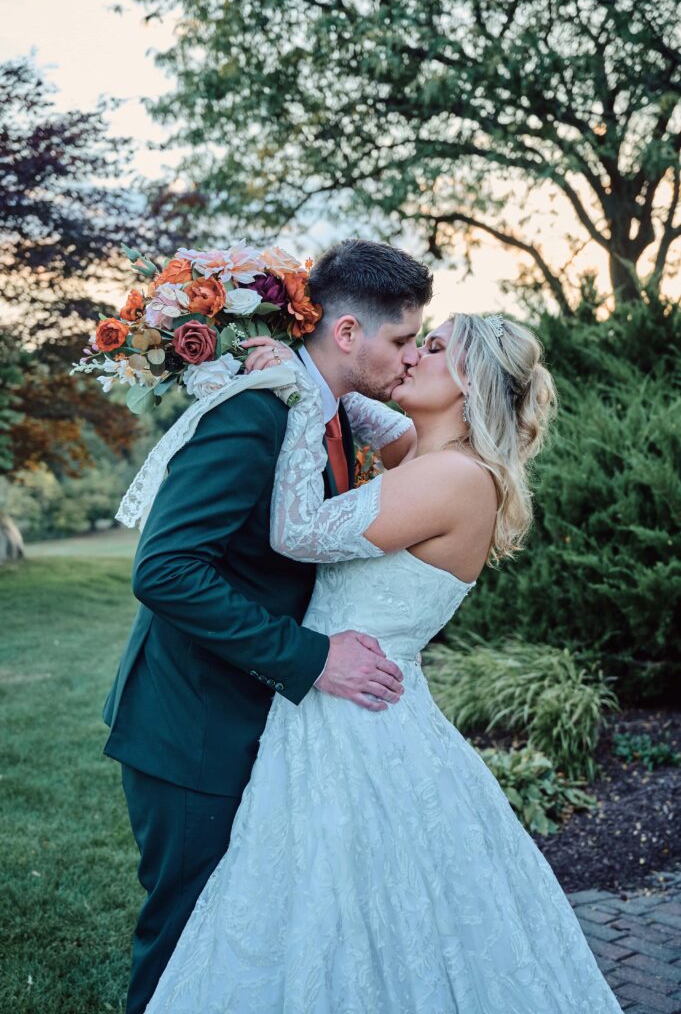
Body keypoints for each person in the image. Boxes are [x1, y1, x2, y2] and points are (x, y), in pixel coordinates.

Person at [143, 311, 625, 1013]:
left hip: (358, 715)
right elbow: (373, 416)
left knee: (345, 906)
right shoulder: (426, 457)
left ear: (469, 382)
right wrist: (309, 368)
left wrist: (301, 396)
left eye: (429, 349)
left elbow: (298, 531)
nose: (410, 359)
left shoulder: (454, 479)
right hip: (343, 703)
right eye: (409, 343)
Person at [102, 239, 434, 1014]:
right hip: (192, 729)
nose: (411, 356)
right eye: (402, 339)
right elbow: (166, 571)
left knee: (240, 948)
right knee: (187, 944)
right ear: (347, 334)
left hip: (259, 724)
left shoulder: (326, 410)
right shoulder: (255, 412)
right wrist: (310, 658)